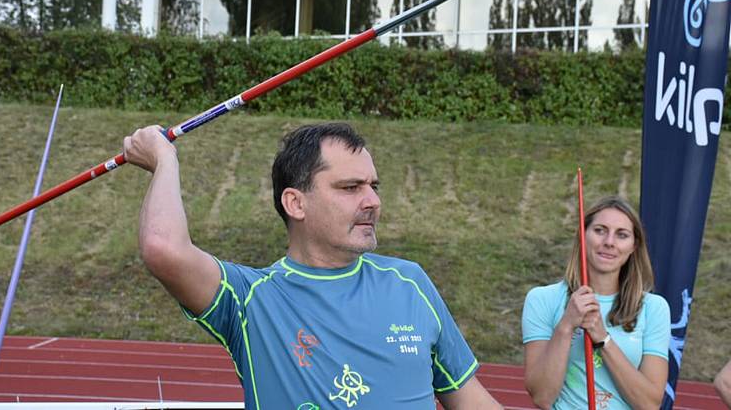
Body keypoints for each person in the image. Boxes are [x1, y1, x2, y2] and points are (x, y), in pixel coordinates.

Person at [123, 122, 501, 409]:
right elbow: (163, 247)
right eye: (350, 188)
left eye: (374, 186)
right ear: (295, 204)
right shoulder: (252, 299)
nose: (372, 201)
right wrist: (163, 158)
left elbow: (472, 401)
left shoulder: (410, 283)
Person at [521, 196, 670, 409]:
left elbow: (649, 404)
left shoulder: (654, 308)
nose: (609, 242)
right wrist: (566, 325)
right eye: (600, 230)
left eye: (622, 235)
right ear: (583, 235)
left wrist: (603, 338)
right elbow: (542, 397)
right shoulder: (542, 299)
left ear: (633, 246)